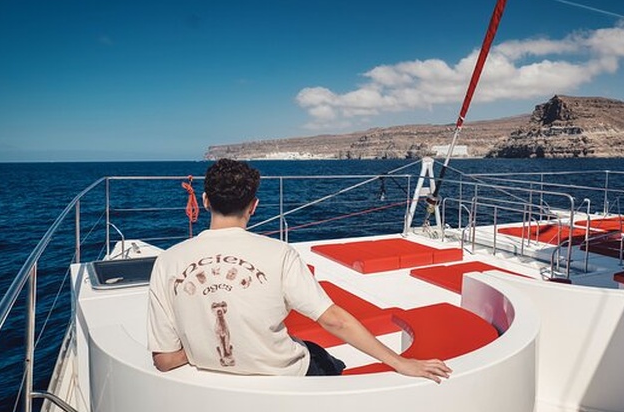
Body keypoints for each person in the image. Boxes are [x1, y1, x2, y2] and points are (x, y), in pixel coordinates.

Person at [147, 158, 452, 383]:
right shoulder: (279, 254)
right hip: (287, 373)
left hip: (211, 377)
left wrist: (201, 347)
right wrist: (399, 362)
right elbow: (333, 320)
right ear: (253, 206)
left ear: (204, 201)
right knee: (326, 360)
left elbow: (164, 360)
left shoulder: (167, 261)